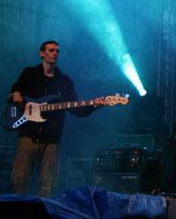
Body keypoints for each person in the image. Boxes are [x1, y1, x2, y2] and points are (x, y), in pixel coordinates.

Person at [9, 40, 106, 197]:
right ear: (42, 53)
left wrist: (94, 105)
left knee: (48, 183)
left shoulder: (64, 82)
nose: (55, 53)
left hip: (52, 139)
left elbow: (76, 109)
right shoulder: (29, 74)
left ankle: (43, 210)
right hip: (27, 134)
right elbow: (13, 94)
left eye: (57, 51)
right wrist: (15, 95)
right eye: (51, 50)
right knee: (19, 179)